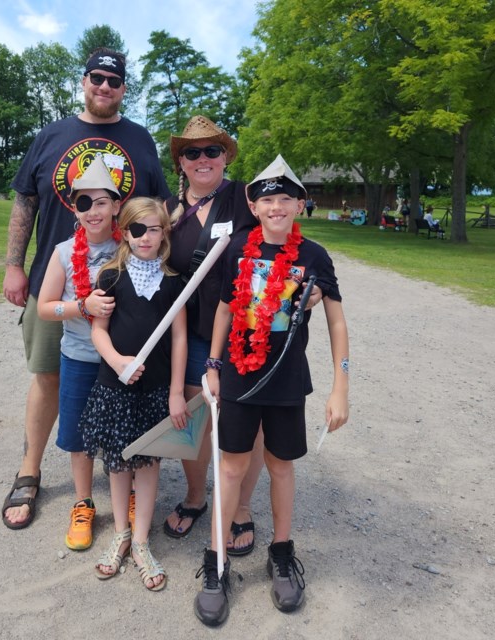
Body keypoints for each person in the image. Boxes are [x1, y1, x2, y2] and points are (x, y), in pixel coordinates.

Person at [1, 48, 171, 534]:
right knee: (49, 378)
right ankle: (30, 469)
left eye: (114, 80)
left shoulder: (140, 140)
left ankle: (123, 478)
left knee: (124, 382)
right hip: (56, 279)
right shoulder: (52, 134)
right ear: (85, 80)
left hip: (123, 287)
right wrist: (15, 265)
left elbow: (157, 211)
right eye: (97, 77)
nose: (104, 86)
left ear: (123, 88)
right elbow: (25, 202)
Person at [194, 155, 350, 627]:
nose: (276, 206)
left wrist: (341, 385)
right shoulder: (239, 248)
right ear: (253, 205)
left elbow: (338, 321)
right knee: (232, 466)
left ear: (300, 205)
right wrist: (214, 365)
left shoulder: (314, 257)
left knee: (282, 466)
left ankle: (281, 554)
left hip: (286, 380)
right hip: (239, 377)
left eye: (285, 198)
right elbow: (223, 310)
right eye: (267, 199)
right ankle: (215, 563)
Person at [163, 115, 319, 557]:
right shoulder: (167, 209)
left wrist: (312, 289)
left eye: (212, 150)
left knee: (249, 430)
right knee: (195, 421)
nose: (203, 159)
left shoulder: (244, 198)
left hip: (244, 333)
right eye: (192, 152)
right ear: (181, 162)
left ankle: (242, 508)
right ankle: (197, 497)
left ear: (226, 156)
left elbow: (285, 237)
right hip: (191, 330)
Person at [79, 197, 187, 591]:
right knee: (119, 461)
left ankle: (141, 540)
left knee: (148, 463)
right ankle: (121, 532)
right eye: (137, 230)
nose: (146, 237)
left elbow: (178, 338)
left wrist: (176, 391)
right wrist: (117, 361)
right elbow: (98, 330)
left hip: (156, 390)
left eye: (154, 229)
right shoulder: (110, 276)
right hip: (115, 386)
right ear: (124, 232)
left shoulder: (176, 280)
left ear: (164, 232)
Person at [33, 160, 122, 550]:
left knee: (124, 431)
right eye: (83, 203)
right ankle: (83, 502)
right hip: (79, 356)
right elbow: (44, 307)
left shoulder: (132, 244)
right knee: (79, 435)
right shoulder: (65, 252)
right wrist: (81, 306)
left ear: (118, 205)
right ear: (74, 209)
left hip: (121, 357)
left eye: (101, 202)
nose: (93, 211)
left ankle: (128, 496)